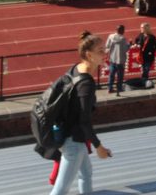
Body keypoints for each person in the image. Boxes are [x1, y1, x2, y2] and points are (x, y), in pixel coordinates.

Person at [48, 31, 111, 195]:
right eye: (101, 51)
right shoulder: (86, 84)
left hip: (72, 137)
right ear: (89, 55)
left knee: (86, 174)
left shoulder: (76, 68)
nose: (105, 54)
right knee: (60, 190)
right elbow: (84, 120)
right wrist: (99, 147)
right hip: (73, 142)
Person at [105, 25, 130, 95]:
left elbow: (107, 46)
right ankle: (119, 88)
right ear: (122, 31)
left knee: (111, 74)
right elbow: (125, 49)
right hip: (120, 60)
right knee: (120, 76)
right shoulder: (123, 39)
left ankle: (109, 88)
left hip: (112, 59)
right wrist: (129, 45)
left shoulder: (110, 36)